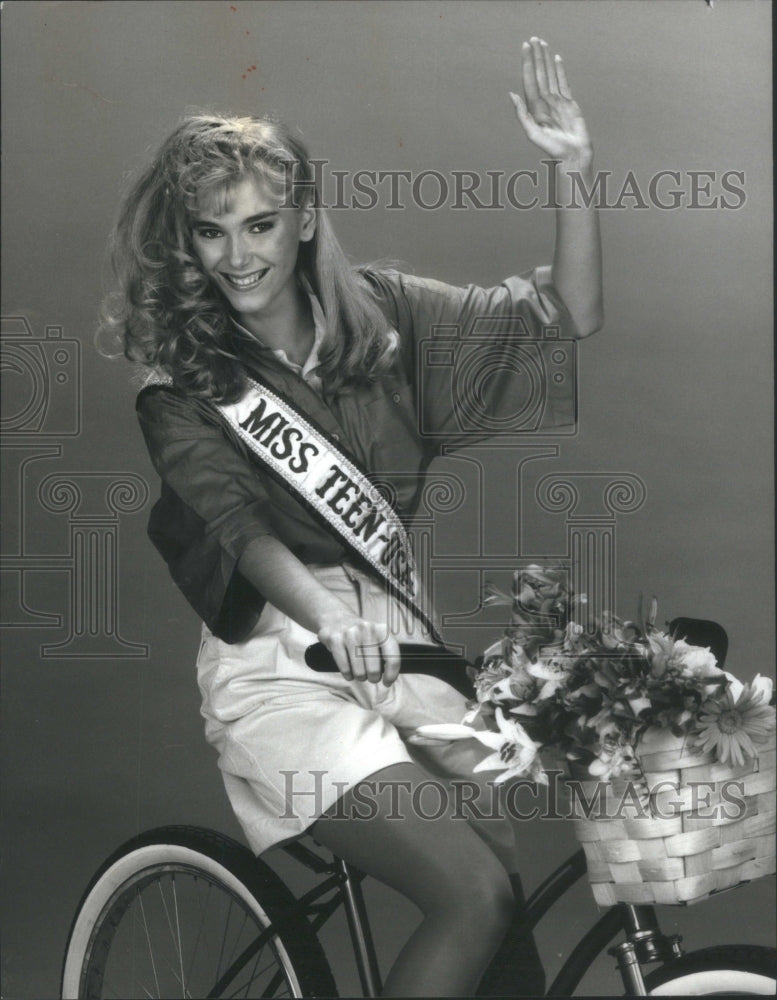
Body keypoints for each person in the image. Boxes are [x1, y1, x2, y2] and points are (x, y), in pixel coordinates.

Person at [103, 36, 602, 998]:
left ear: (303, 221)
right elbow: (241, 530)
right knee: (470, 896)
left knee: (501, 892)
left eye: (258, 224)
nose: (237, 255)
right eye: (212, 233)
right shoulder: (187, 392)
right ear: (189, 244)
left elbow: (569, 313)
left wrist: (573, 170)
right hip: (286, 675)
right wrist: (331, 617)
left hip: (400, 658)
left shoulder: (387, 320)